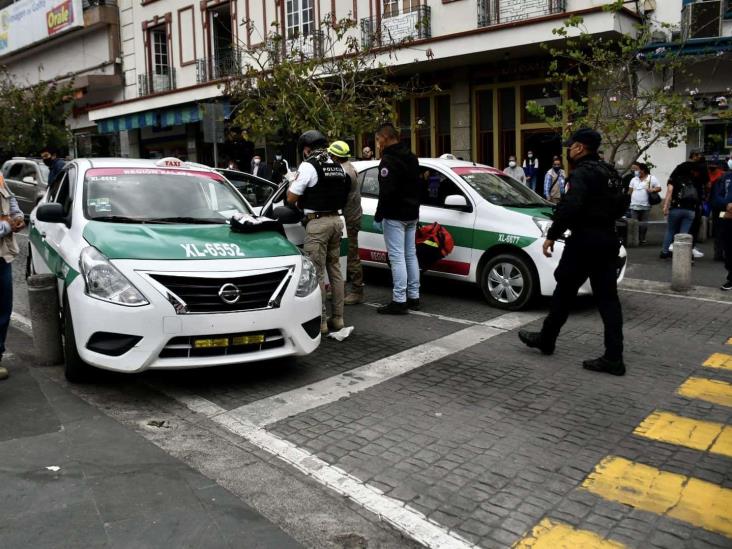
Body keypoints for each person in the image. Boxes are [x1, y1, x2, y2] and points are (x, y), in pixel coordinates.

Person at [518, 128, 626, 376]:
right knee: (607, 300)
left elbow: (570, 206)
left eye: (571, 146)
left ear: (579, 148)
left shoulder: (581, 174)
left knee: (564, 289)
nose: (568, 150)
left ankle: (547, 338)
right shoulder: (610, 173)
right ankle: (613, 356)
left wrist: (552, 235)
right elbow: (622, 205)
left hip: (584, 242)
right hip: (607, 239)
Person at [287, 130, 349, 334]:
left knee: (316, 272)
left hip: (317, 224)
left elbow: (291, 198)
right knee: (336, 271)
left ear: (306, 149)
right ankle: (338, 319)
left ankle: (321, 321)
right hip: (337, 221)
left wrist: (291, 184)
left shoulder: (308, 165)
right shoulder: (336, 165)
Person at [373, 122, 420, 314]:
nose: (377, 144)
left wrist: (378, 216)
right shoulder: (412, 157)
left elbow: (387, 192)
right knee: (410, 254)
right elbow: (419, 186)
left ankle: (399, 300)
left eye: (377, 139)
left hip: (395, 215)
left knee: (397, 257)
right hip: (412, 214)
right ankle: (414, 296)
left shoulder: (388, 160)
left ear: (385, 137)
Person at [328, 141, 365, 305]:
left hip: (349, 218)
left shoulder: (344, 173)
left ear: (336, 156)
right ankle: (339, 289)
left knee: (350, 255)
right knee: (341, 255)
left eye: (331, 154)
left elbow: (339, 198)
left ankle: (357, 291)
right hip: (351, 216)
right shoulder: (349, 167)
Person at [0, 174, 25, 380]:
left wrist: (18, 217)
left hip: (2, 257)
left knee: (3, 312)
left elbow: (11, 198)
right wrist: (7, 226)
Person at [660, 160, 705, 259]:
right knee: (683, 233)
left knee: (670, 230)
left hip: (676, 208)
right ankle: (681, 253)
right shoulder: (693, 180)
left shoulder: (674, 179)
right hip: (690, 210)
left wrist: (665, 206)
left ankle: (664, 251)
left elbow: (670, 191)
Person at [627, 162, 661, 244]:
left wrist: (652, 190)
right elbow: (630, 191)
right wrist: (626, 200)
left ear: (643, 170)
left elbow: (659, 188)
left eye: (637, 169)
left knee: (644, 224)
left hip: (645, 205)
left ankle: (642, 238)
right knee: (634, 223)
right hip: (634, 205)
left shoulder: (651, 178)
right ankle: (634, 239)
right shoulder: (634, 179)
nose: (635, 171)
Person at [712, 159, 732, 289]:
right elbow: (716, 197)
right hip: (727, 217)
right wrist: (727, 204)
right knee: (728, 248)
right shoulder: (724, 178)